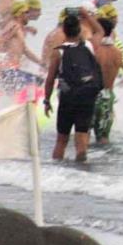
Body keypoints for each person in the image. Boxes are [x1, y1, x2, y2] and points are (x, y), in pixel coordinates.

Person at [44, 14, 103, 162]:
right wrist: (87, 14)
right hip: (87, 97)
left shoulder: (59, 52)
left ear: (64, 31)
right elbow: (100, 31)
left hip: (67, 99)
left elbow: (50, 79)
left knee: (61, 141)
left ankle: (57, 172)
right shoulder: (88, 46)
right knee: (82, 139)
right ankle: (81, 169)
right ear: (79, 30)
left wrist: (46, 100)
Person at [0, 1, 44, 92]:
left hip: (13, 70)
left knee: (38, 82)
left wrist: (41, 63)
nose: (28, 15)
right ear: (19, 14)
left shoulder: (18, 27)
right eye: (26, 12)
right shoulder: (14, 26)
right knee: (37, 83)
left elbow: (25, 50)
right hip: (8, 71)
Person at [91, 17, 123, 146]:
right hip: (108, 96)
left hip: (94, 96)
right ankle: (105, 163)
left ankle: (82, 164)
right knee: (104, 137)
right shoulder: (118, 53)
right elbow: (122, 72)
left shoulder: (95, 52)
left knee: (84, 133)